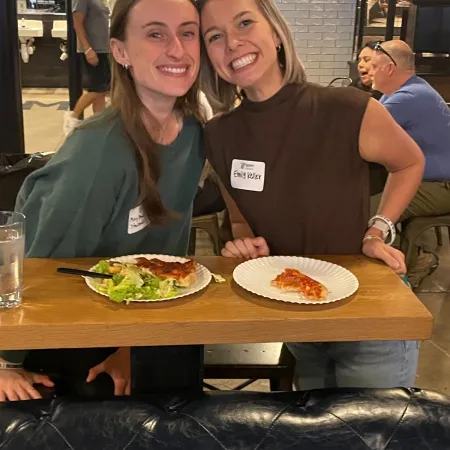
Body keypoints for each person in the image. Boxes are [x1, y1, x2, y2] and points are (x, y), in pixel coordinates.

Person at [198, 0, 425, 390]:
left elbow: (409, 162)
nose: (232, 42)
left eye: (245, 23)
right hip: (299, 315)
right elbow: (240, 220)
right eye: (215, 36)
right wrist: (245, 245)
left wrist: (378, 229)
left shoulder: (346, 108)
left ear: (275, 32)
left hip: (368, 316)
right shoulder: (219, 135)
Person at [0, 0, 205, 402]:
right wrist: (6, 360)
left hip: (135, 325)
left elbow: (169, 258)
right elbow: (37, 265)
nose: (178, 49)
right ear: (122, 52)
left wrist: (133, 344)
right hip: (60, 334)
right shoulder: (96, 151)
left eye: (188, 32)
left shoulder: (193, 134)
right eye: (155, 33)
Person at [370, 40, 450, 287]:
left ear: (390, 68)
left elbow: (357, 133)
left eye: (374, 66)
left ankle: (400, 280)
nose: (369, 71)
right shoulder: (412, 90)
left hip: (440, 186)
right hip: (432, 181)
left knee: (369, 213)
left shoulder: (408, 97)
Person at [64, 0, 112, 134]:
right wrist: (87, 49)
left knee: (102, 89)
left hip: (104, 49)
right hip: (93, 49)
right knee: (97, 89)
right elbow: (77, 23)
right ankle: (72, 117)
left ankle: (99, 123)